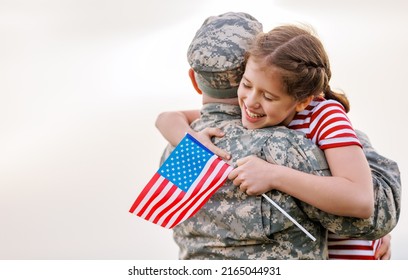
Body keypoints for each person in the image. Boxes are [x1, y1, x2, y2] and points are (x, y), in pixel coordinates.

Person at [156, 12, 400, 259]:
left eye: (268, 95)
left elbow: (168, 118)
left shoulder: (178, 150)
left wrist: (181, 135)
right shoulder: (283, 146)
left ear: (194, 80)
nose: (252, 101)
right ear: (246, 69)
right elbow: (373, 218)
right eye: (247, 85)